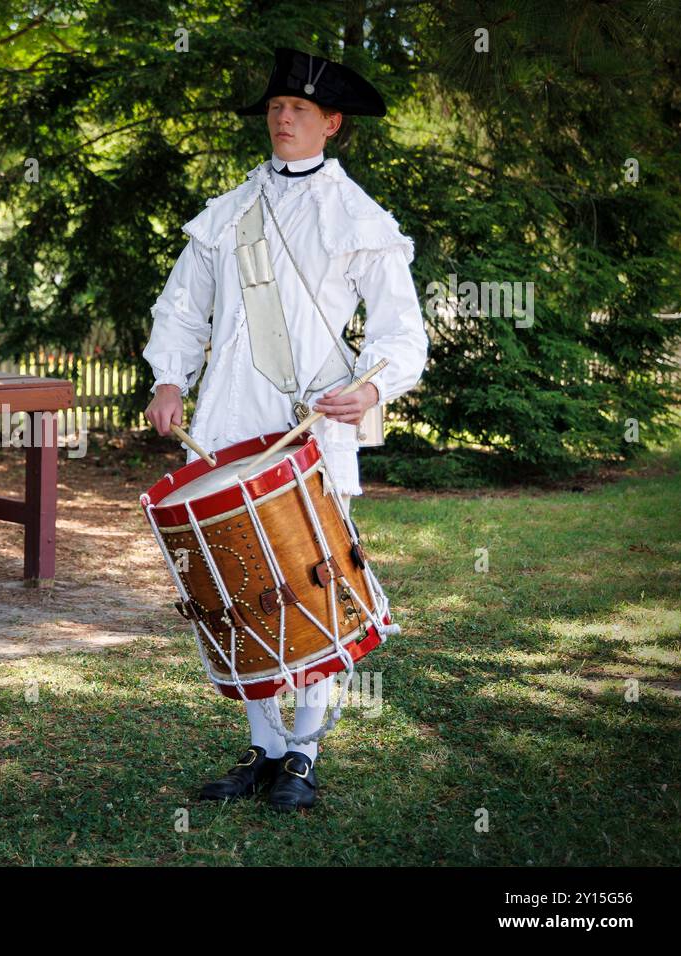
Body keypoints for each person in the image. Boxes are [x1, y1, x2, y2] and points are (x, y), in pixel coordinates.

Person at [142, 49, 428, 811]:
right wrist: (169, 377)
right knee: (239, 581)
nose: (284, 117)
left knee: (312, 578)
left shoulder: (358, 216)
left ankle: (303, 752)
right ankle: (264, 750)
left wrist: (368, 386)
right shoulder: (230, 210)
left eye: (300, 109)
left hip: (310, 419)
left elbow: (403, 333)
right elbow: (180, 307)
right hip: (229, 412)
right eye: (275, 107)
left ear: (331, 124)